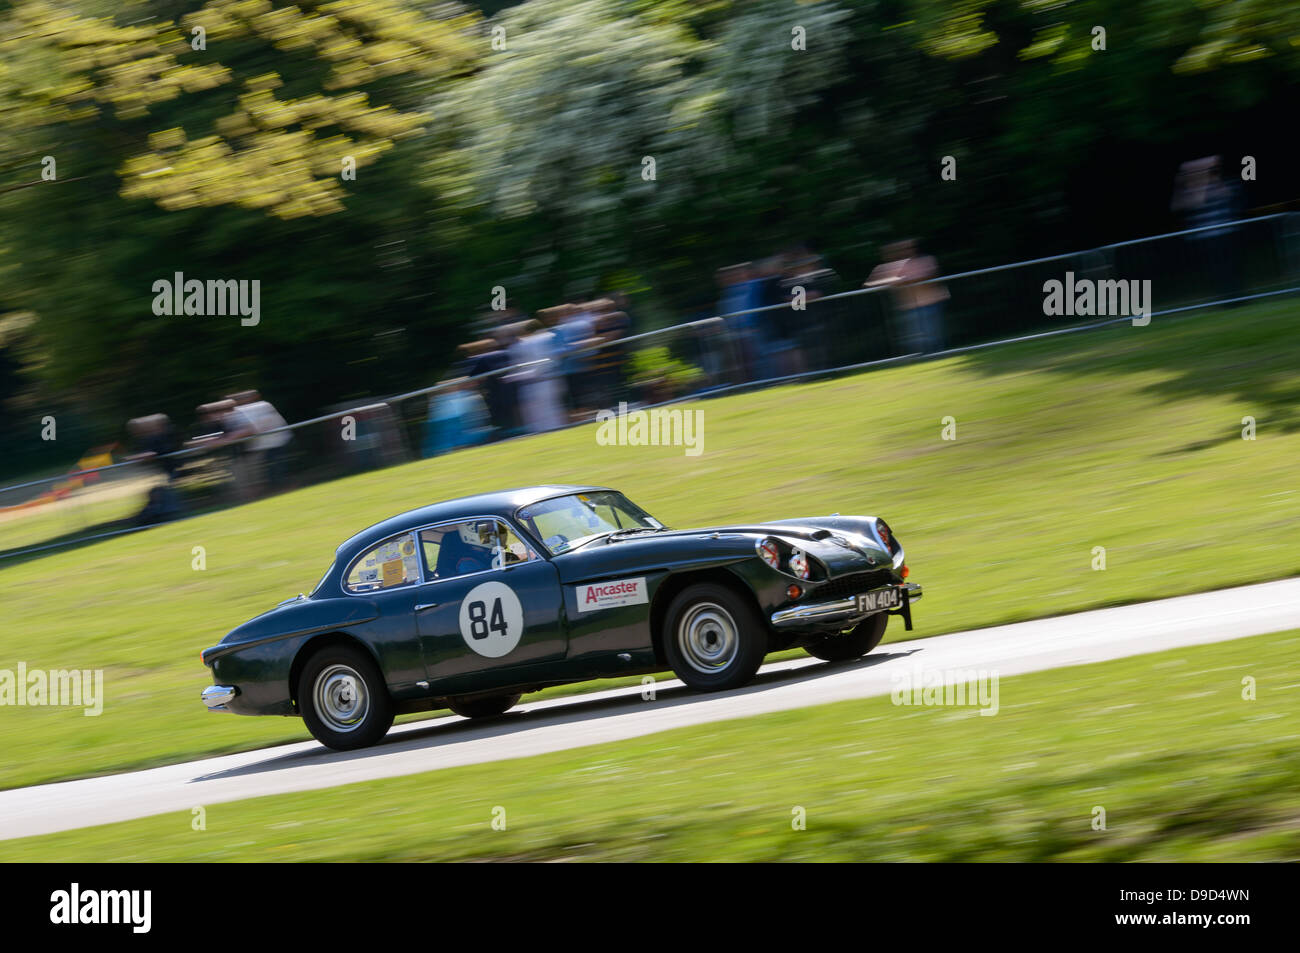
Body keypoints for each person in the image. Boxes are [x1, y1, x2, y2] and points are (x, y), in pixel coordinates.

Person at [1171, 155, 1244, 304]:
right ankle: (1226, 299)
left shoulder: (1222, 184)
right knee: (1217, 269)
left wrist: (1210, 178)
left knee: (1231, 266)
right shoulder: (1191, 191)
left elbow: (1227, 194)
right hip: (1206, 237)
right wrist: (1183, 184)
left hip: (1225, 232)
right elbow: (1178, 206)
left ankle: (1237, 298)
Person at [865, 240, 949, 354]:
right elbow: (869, 284)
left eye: (908, 248)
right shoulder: (888, 267)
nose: (904, 251)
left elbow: (928, 276)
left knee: (932, 336)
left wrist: (901, 281)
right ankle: (923, 359)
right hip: (907, 308)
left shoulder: (925, 260)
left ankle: (937, 355)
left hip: (930, 304)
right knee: (914, 339)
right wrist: (896, 281)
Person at [230, 390, 292, 494]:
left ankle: (281, 489)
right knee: (270, 469)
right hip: (263, 445)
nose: (243, 400)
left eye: (244, 397)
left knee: (275, 467)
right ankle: (277, 490)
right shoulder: (242, 410)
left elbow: (259, 426)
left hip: (276, 442)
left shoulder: (262, 406)